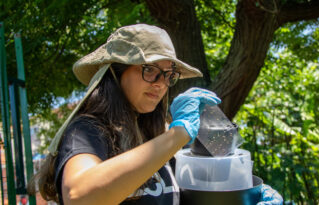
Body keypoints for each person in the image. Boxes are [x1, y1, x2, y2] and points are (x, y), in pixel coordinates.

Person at [29, 24, 282, 205]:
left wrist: (243, 191)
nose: (161, 83)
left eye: (169, 75)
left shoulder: (157, 133)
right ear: (116, 73)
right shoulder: (87, 130)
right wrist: (178, 134)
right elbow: (79, 197)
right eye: (150, 70)